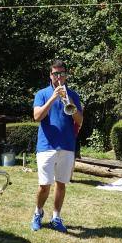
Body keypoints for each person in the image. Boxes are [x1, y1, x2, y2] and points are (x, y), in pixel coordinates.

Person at [31, 59, 83, 232]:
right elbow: (37, 117)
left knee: (61, 184)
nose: (58, 77)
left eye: (61, 73)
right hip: (47, 146)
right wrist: (54, 98)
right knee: (44, 185)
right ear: (50, 75)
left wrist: (70, 103)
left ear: (66, 75)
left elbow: (80, 120)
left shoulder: (73, 95)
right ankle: (38, 213)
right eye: (55, 73)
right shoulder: (42, 93)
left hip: (67, 146)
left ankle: (56, 217)